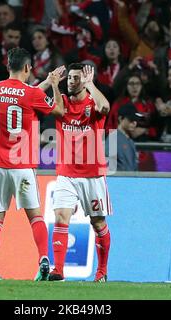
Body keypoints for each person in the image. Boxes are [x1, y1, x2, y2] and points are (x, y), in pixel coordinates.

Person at [0, 47, 65, 281]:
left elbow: (22, 96)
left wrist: (46, 82)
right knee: (35, 216)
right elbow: (57, 110)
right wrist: (54, 85)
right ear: (27, 68)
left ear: (8, 66)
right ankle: (43, 259)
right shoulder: (31, 94)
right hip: (23, 167)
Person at [48, 63, 112, 283]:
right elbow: (55, 110)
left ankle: (102, 271)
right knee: (60, 217)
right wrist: (55, 86)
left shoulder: (93, 104)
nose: (71, 82)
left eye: (76, 78)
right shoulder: (63, 102)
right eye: (70, 78)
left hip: (92, 175)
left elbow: (106, 108)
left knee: (98, 223)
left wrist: (90, 84)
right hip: (66, 173)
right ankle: (58, 270)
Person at [106, 103, 140, 172]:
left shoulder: (130, 141)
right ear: (121, 119)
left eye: (136, 120)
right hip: (119, 181)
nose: (135, 123)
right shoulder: (113, 139)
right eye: (131, 120)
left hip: (130, 181)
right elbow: (108, 169)